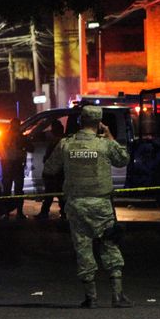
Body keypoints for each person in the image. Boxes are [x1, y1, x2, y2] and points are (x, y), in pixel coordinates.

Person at [44, 105, 131, 308]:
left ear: (80, 121)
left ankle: (91, 297)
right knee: (109, 245)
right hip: (101, 205)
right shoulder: (104, 145)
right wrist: (109, 136)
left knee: (83, 248)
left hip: (76, 205)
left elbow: (49, 168)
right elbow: (123, 160)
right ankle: (117, 296)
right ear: (99, 123)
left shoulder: (66, 144)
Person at [0, 118, 33, 219]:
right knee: (16, 189)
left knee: (8, 189)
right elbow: (31, 148)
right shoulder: (19, 137)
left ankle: (7, 213)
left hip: (10, 164)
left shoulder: (5, 136)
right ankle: (17, 213)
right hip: (14, 164)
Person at [36, 120, 66, 220]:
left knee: (50, 194)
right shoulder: (62, 141)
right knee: (59, 194)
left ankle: (45, 213)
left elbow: (49, 158)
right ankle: (63, 214)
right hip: (58, 172)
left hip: (54, 172)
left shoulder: (57, 143)